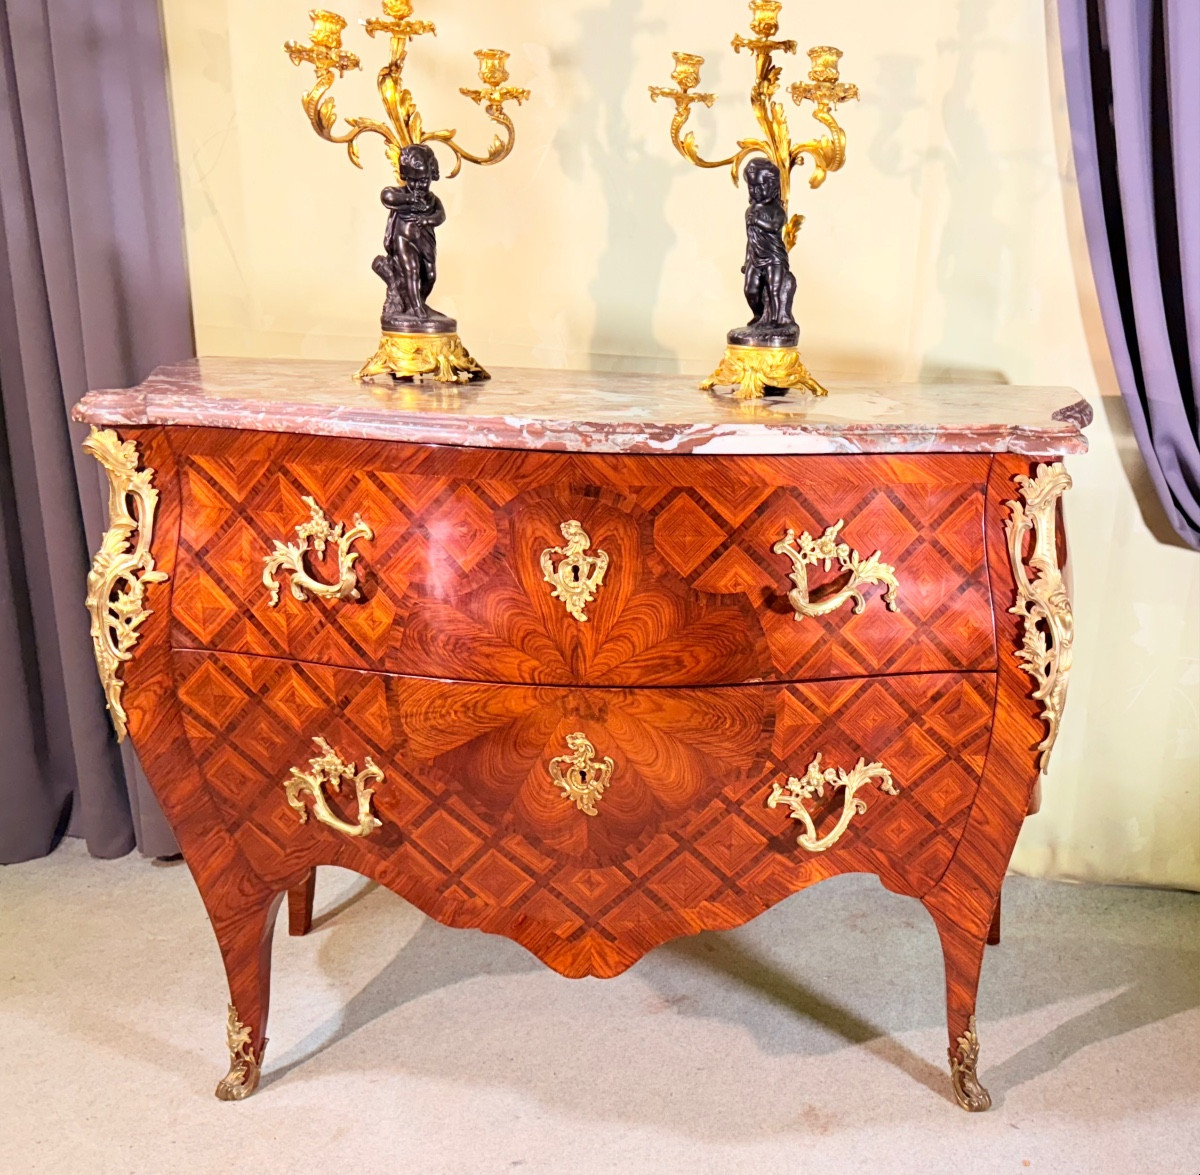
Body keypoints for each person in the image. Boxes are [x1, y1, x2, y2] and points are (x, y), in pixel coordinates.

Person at [373, 143, 454, 331]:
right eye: (412, 181)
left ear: (432, 175)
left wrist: (426, 220)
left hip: (425, 241)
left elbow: (440, 216)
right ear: (405, 176)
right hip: (404, 239)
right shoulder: (400, 194)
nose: (418, 186)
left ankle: (418, 302)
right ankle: (416, 307)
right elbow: (386, 196)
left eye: (423, 180)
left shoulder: (432, 199)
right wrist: (409, 199)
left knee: (430, 275)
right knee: (411, 270)